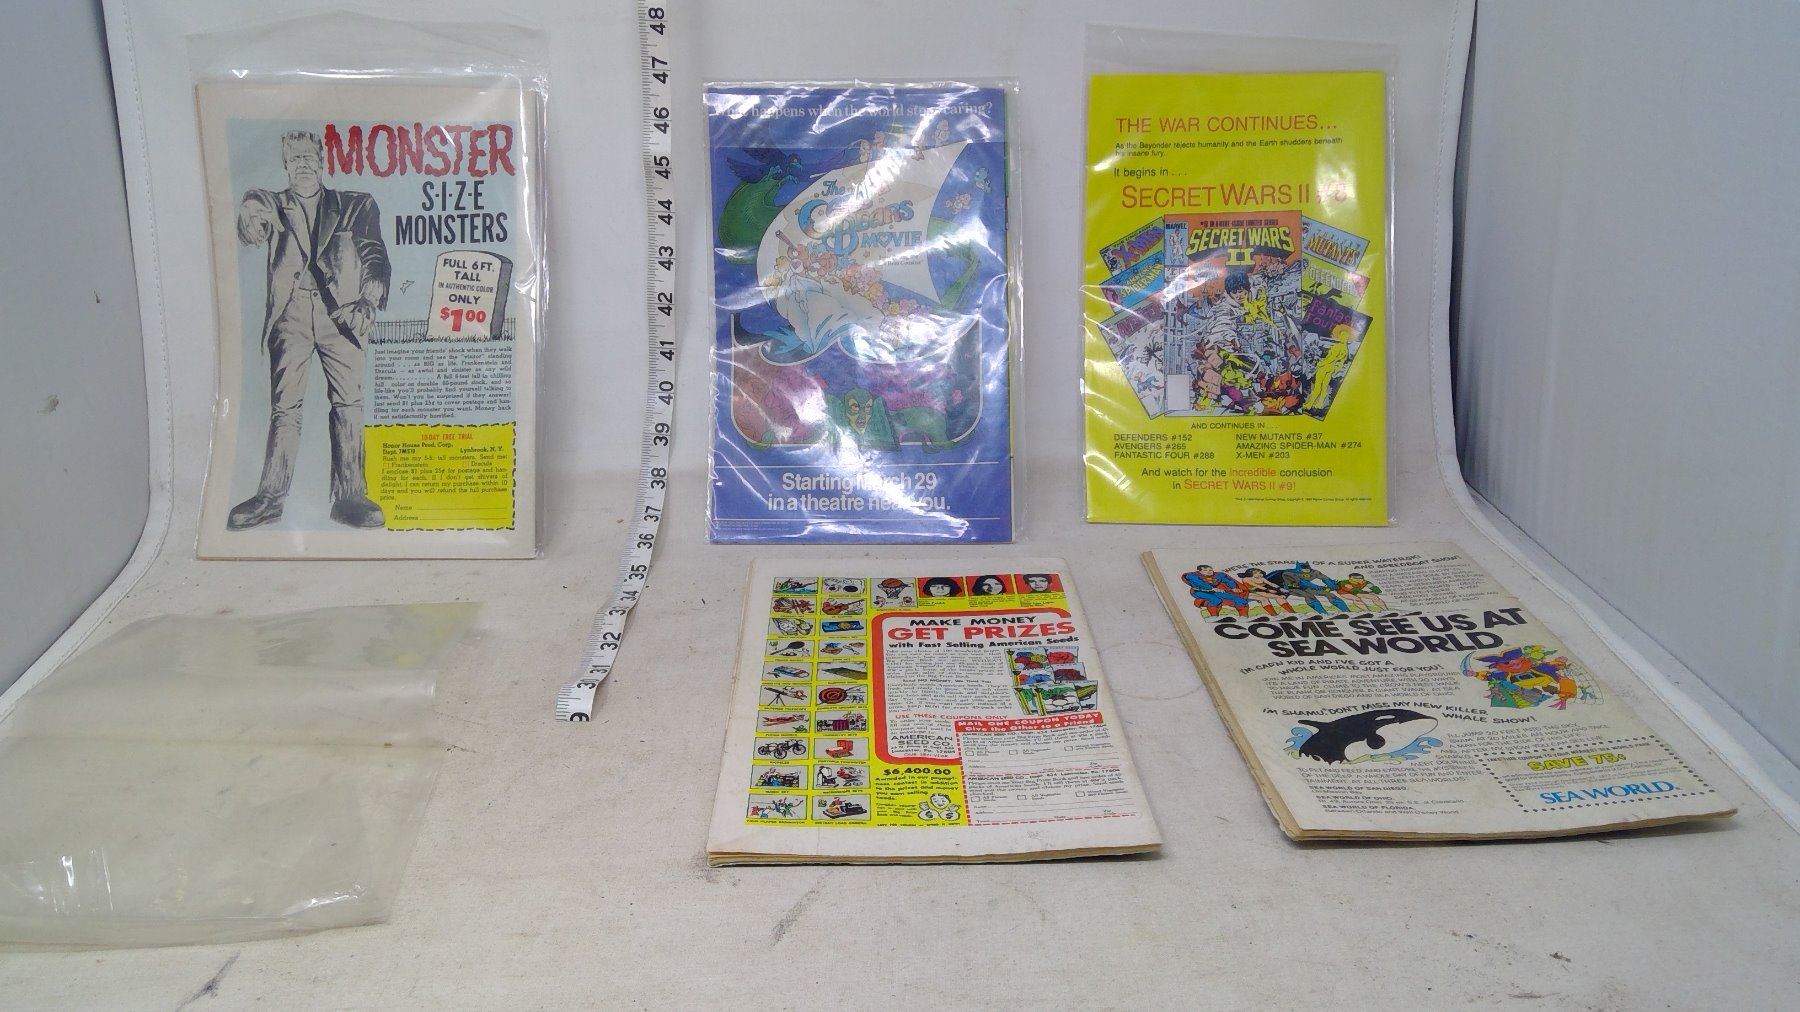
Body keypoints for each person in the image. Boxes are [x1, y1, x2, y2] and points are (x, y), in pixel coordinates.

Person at [229, 130, 390, 530]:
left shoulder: (354, 204)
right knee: (285, 408)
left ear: (323, 161)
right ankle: (270, 498)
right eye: (294, 158)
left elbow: (375, 254)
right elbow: (253, 212)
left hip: (343, 318)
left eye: (309, 157)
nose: (302, 164)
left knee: (349, 404)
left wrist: (368, 299)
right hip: (292, 317)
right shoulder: (274, 204)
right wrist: (250, 213)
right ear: (285, 165)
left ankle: (350, 496)